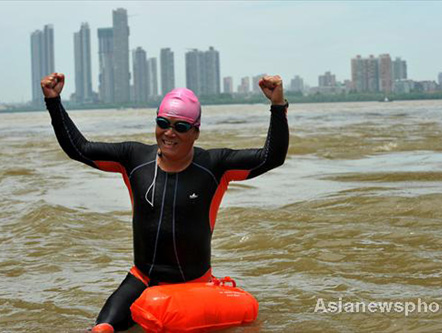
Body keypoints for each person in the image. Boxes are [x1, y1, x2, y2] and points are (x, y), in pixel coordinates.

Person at [41, 73, 289, 333]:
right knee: (102, 329)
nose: (169, 133)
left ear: (195, 132)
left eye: (180, 126)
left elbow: (271, 157)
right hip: (142, 279)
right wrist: (54, 102)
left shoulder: (215, 166)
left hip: (194, 286)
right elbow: (79, 149)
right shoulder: (134, 159)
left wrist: (277, 106)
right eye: (163, 123)